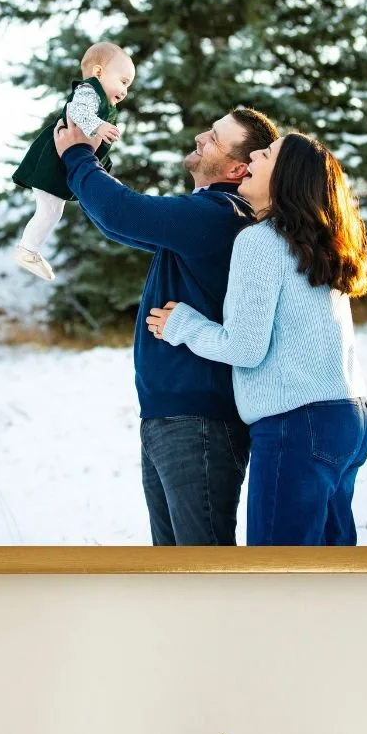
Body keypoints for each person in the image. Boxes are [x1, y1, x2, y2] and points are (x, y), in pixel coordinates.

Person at [53, 106, 279, 546]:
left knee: (202, 565)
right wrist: (86, 163)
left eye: (214, 137)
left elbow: (125, 213)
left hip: (200, 422)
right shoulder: (207, 214)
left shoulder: (221, 213)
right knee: (174, 566)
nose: (200, 138)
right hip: (172, 417)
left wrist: (79, 157)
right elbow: (116, 222)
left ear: (237, 168)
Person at [146, 133, 367, 546]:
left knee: (275, 572)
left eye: (265, 154)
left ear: (283, 176)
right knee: (333, 571)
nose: (253, 155)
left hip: (295, 426)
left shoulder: (260, 240)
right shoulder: (319, 242)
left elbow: (244, 349)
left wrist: (184, 325)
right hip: (349, 419)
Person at [11, 42, 135, 280]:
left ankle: (29, 250)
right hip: (53, 163)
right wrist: (98, 125)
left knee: (53, 210)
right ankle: (27, 250)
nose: (125, 91)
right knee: (50, 211)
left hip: (66, 162)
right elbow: (78, 111)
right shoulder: (89, 91)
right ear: (99, 72)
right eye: (123, 81)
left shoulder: (105, 103)